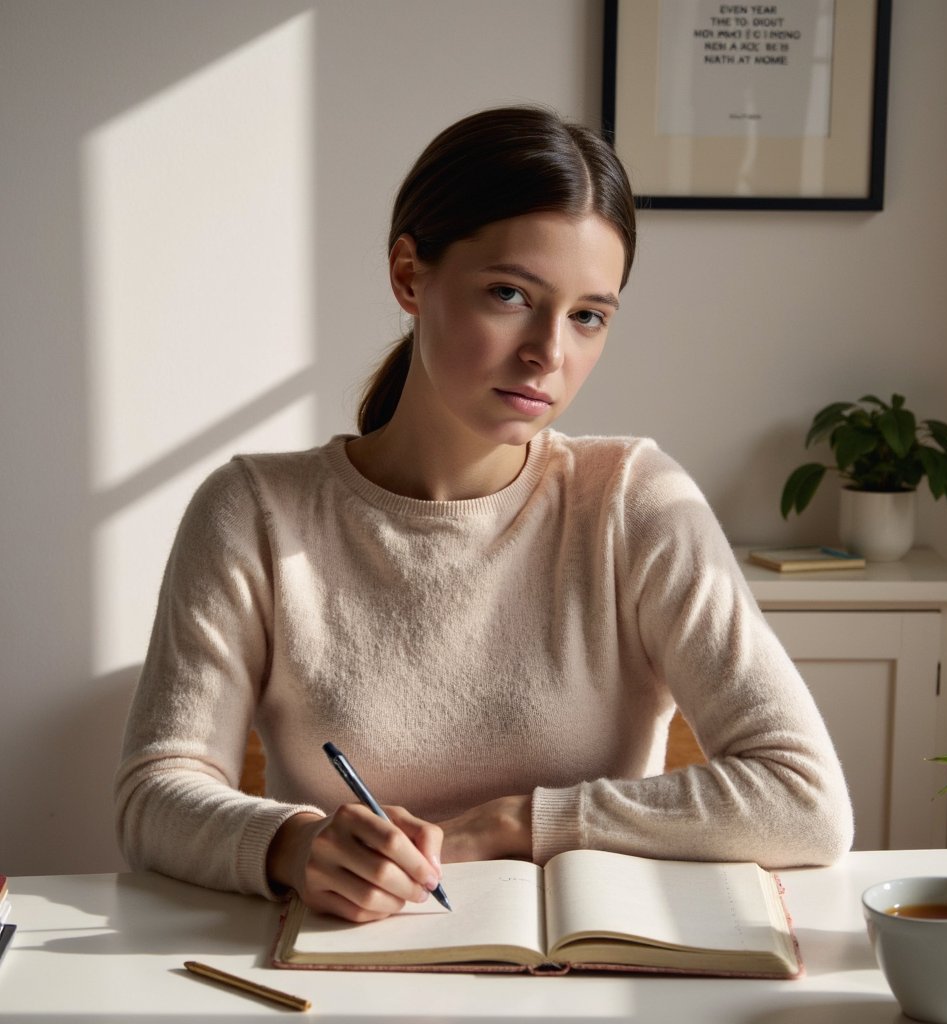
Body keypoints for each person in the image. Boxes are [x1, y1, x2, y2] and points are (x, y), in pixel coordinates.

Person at [115, 105, 853, 924]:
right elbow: (154, 795)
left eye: (588, 316)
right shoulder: (254, 511)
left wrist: (514, 823)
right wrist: (295, 846)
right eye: (510, 294)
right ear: (409, 274)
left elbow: (805, 799)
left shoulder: (635, 501)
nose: (549, 352)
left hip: (587, 980)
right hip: (343, 978)